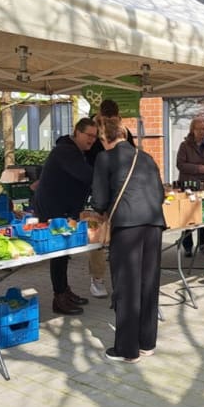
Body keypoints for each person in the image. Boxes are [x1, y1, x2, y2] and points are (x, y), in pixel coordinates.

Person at [90, 117, 166, 364]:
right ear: (124, 134)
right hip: (154, 223)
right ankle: (147, 342)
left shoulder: (105, 158)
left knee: (127, 286)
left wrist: (100, 210)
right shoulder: (146, 157)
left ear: (105, 138)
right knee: (148, 283)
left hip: (127, 226)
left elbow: (99, 199)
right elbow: (160, 193)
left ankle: (127, 349)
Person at [33, 117, 97, 315]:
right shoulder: (66, 151)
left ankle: (64, 290)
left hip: (62, 208)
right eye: (88, 135)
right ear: (77, 132)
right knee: (58, 253)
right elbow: (87, 176)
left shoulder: (74, 151)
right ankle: (59, 297)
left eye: (94, 137)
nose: (92, 140)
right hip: (53, 209)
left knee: (64, 253)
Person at [83, 99, 135, 299]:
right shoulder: (92, 130)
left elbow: (132, 156)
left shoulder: (124, 131)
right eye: (107, 120)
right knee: (97, 237)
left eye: (114, 119)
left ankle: (118, 277)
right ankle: (97, 279)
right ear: (100, 116)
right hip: (97, 188)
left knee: (116, 237)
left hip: (119, 191)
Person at [176, 116, 204, 257]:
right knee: (188, 216)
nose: (201, 132)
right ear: (192, 129)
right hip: (189, 185)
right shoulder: (185, 145)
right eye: (199, 129)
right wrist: (197, 168)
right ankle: (187, 245)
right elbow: (180, 164)